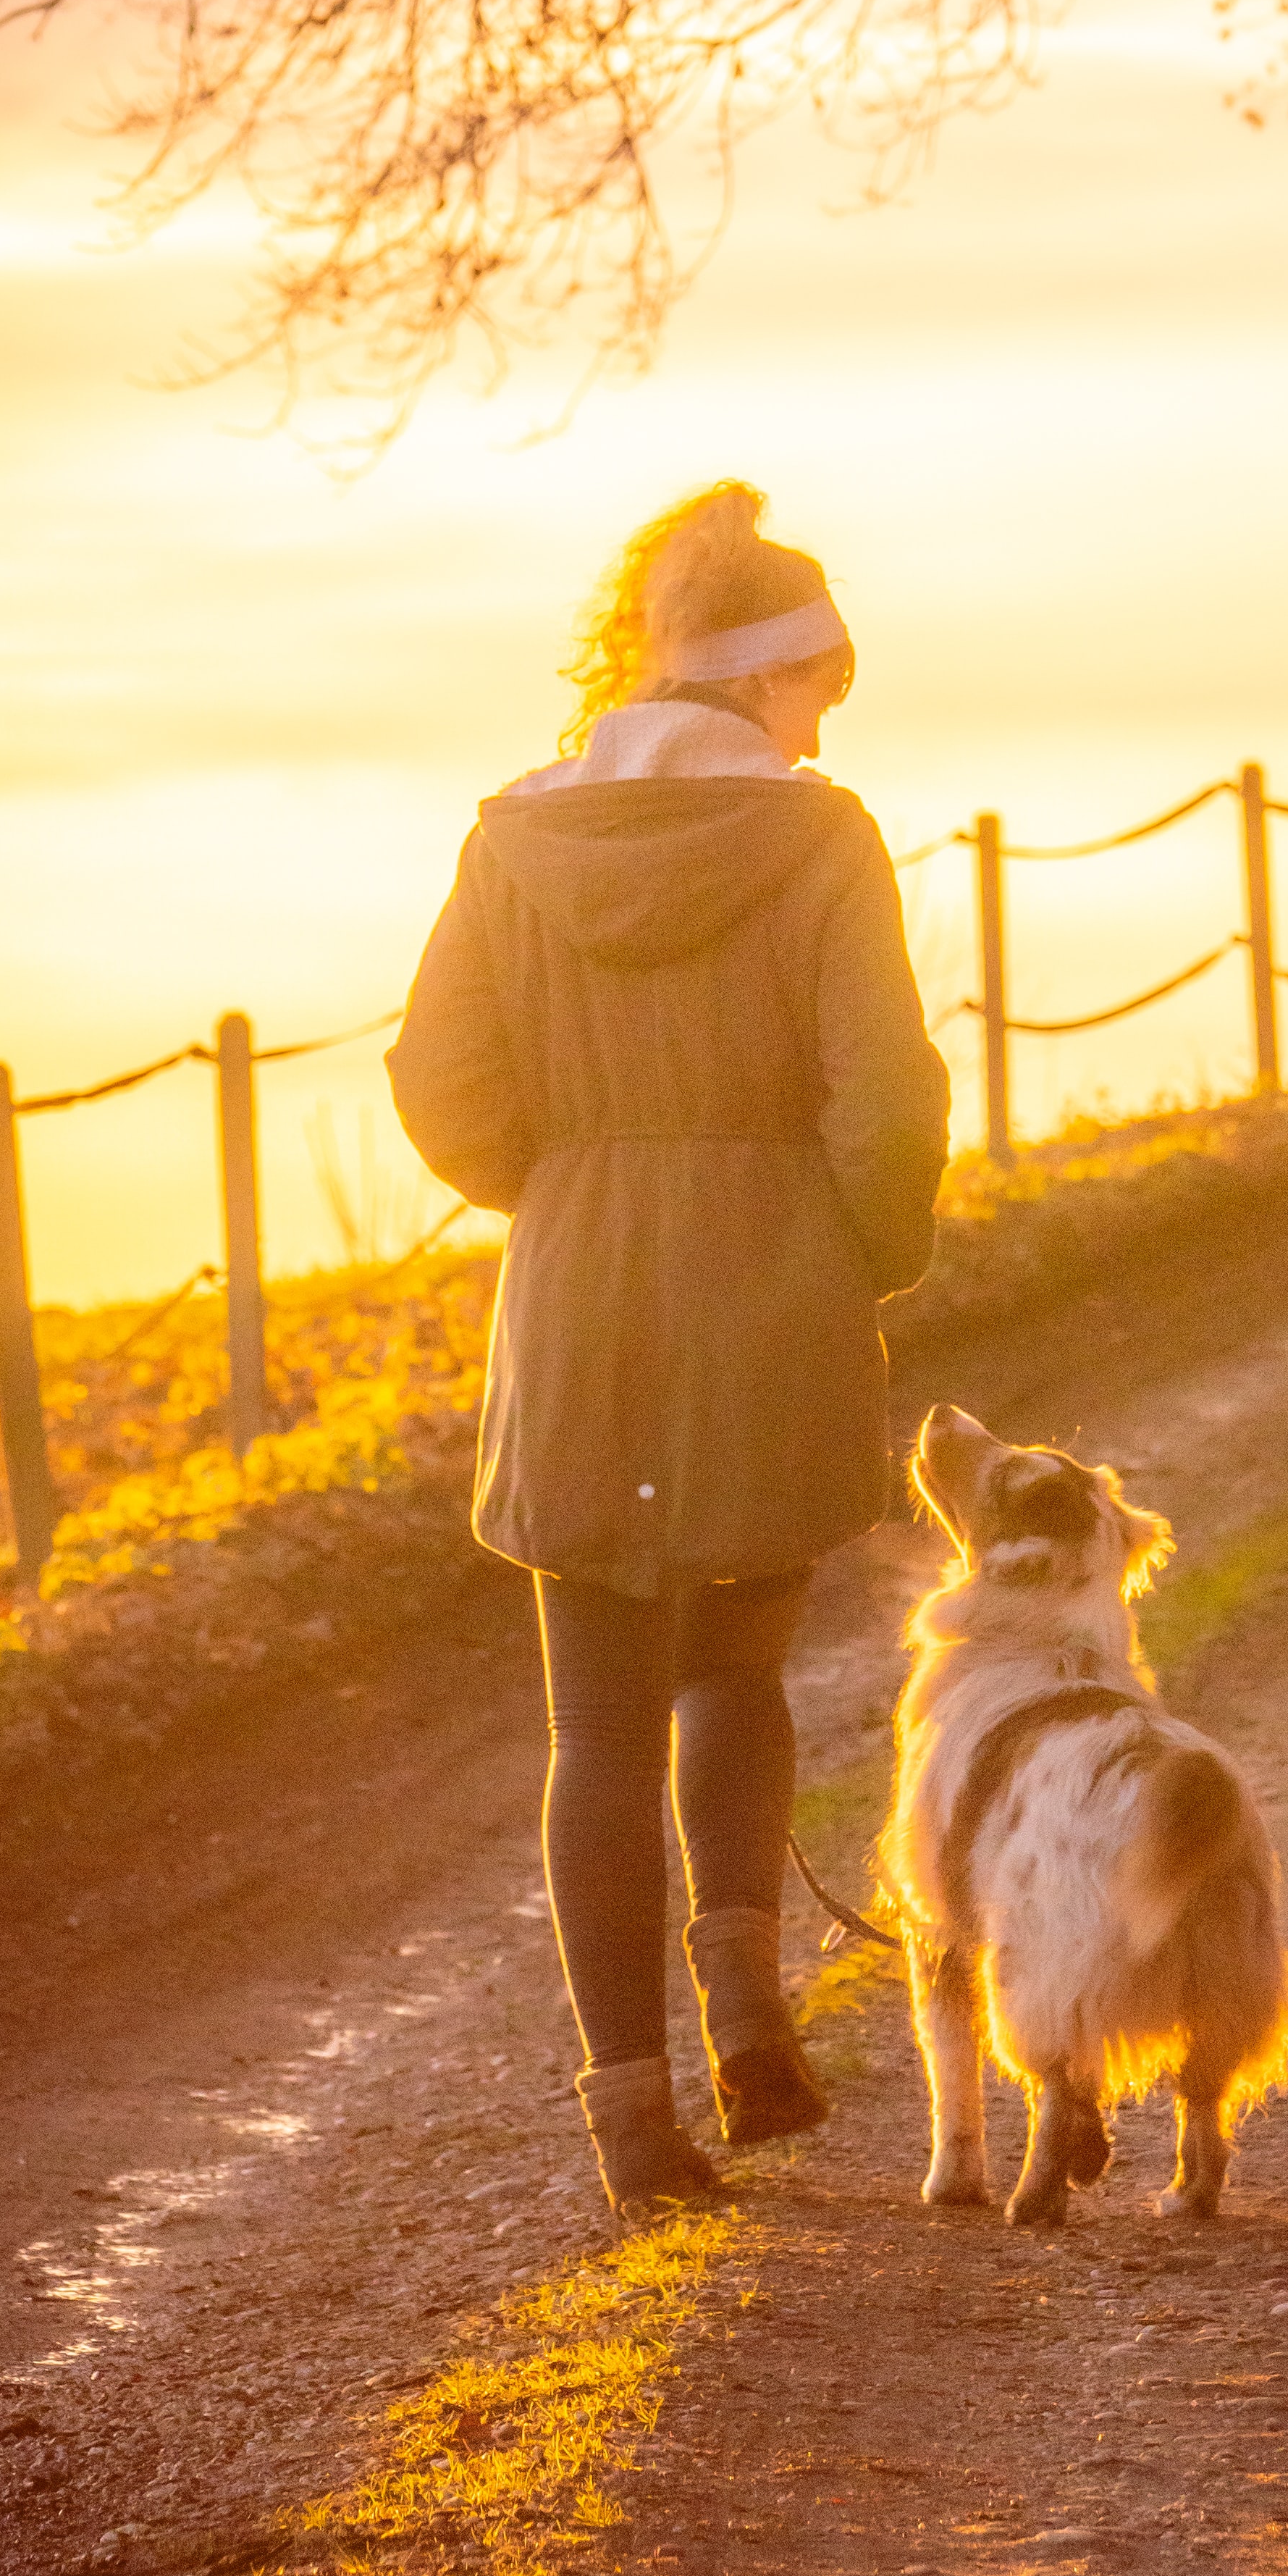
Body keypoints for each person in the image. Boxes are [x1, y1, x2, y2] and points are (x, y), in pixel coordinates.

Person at [387, 482, 952, 2212]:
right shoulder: (821, 835)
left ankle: (630, 2112)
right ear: (773, 678)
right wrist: (855, 1256)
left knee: (596, 1730)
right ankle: (745, 2014)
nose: (821, 730)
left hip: (577, 1296)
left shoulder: (508, 836)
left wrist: (562, 1190)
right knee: (735, 1673)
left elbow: (438, 1083)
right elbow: (889, 1099)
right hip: (766, 1295)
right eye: (819, 693)